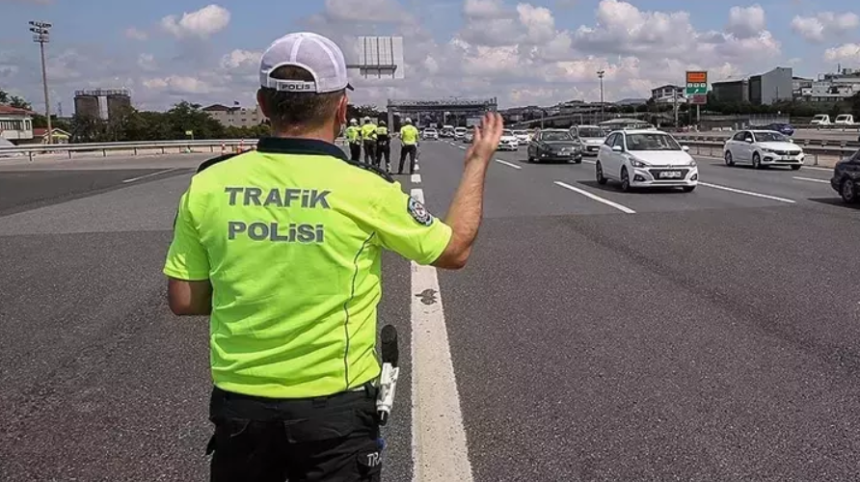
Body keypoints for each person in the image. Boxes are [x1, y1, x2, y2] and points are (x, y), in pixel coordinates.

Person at [162, 31, 504, 482]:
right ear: (342, 107)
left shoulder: (208, 185)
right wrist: (477, 162)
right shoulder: (366, 189)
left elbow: (185, 299)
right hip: (334, 411)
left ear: (263, 104)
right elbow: (453, 249)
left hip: (240, 407)